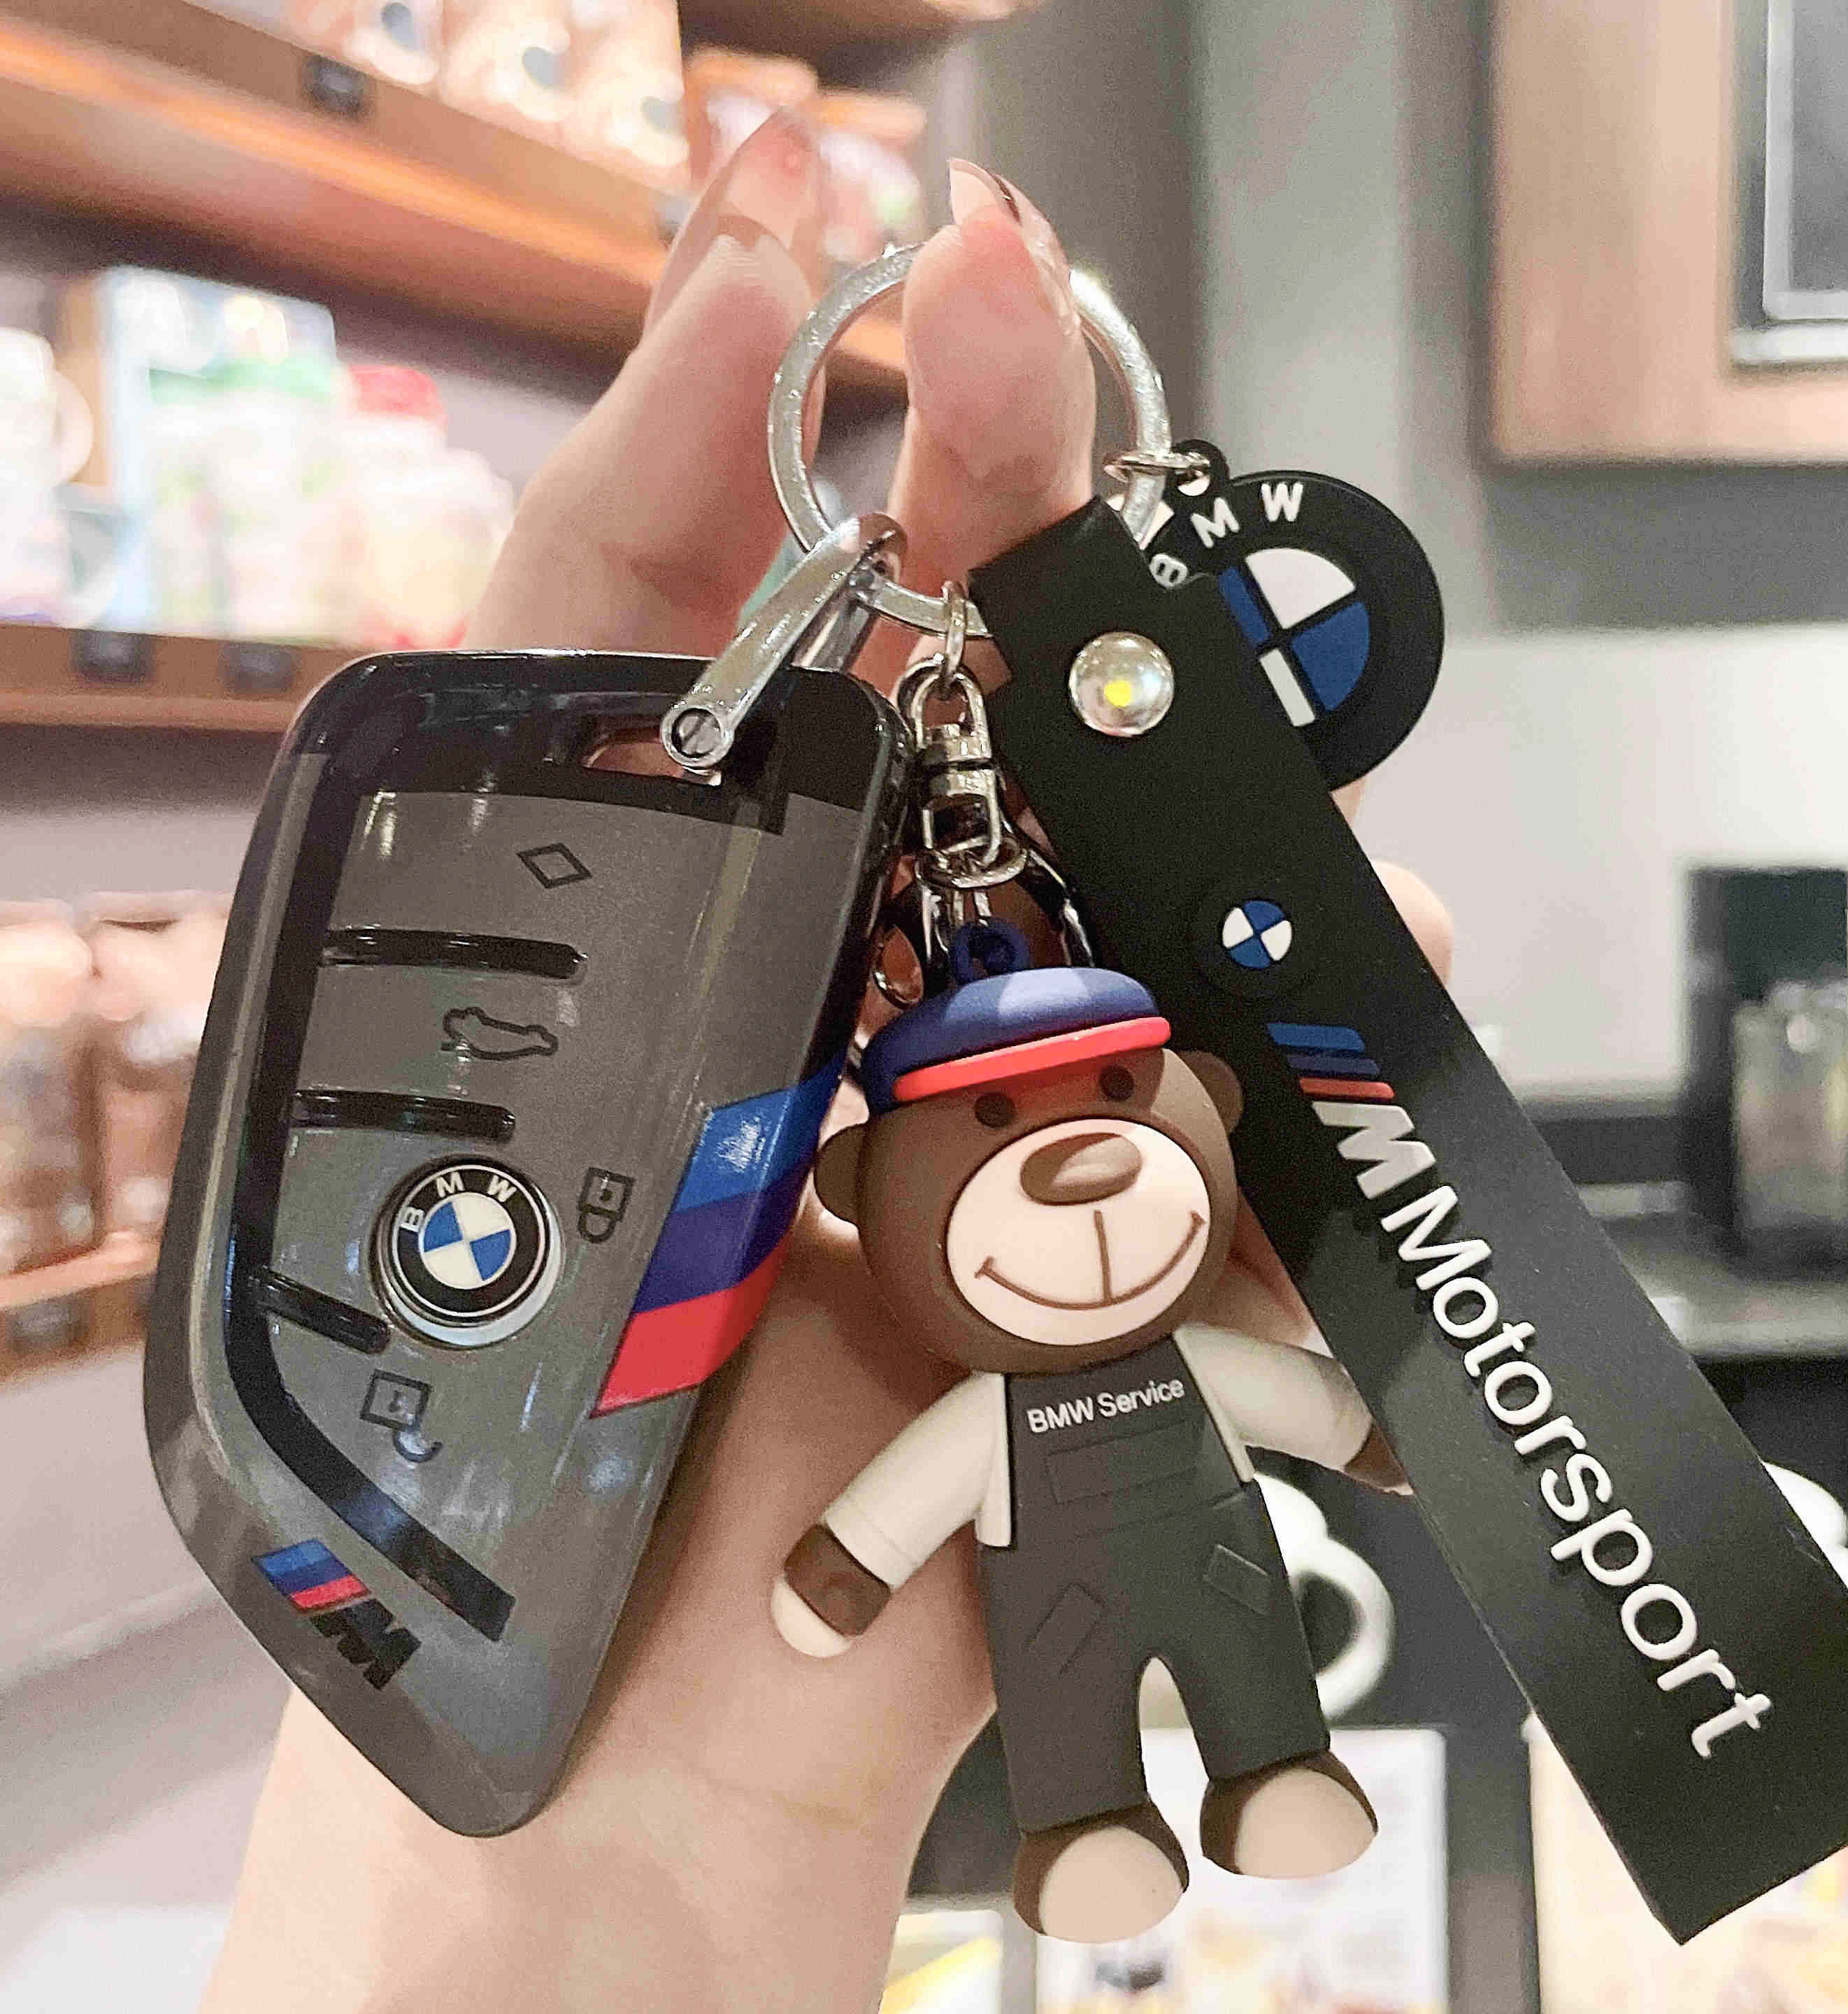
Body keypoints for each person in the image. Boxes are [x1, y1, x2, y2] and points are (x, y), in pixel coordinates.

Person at [199, 110, 1453, 2013]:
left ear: (1203, 1104)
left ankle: (1270, 1766)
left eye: (1119, 1099)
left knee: (1243, 1672)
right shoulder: (967, 1372)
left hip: (1160, 1552)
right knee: (1085, 1721)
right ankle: (1102, 1817)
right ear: (871, 1185)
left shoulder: (1109, 1328)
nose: (1082, 1166)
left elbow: (1281, 1417)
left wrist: (1393, 1428)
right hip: (996, 1587)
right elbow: (883, 1522)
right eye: (1008, 1117)